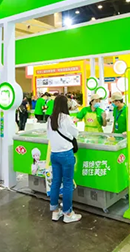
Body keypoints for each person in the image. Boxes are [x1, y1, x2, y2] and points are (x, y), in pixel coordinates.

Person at [47, 95, 81, 223]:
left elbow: (49, 136)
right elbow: (75, 133)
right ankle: (68, 213)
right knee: (67, 183)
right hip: (66, 154)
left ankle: (55, 212)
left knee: (55, 182)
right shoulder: (66, 118)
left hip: (54, 154)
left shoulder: (50, 119)